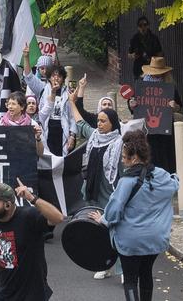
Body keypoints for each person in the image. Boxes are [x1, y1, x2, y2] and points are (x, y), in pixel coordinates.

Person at [89, 130, 178, 301]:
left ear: (134, 158)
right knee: (146, 274)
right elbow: (175, 183)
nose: (122, 161)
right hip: (156, 238)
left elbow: (114, 211)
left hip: (131, 241)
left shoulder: (126, 182)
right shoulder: (161, 175)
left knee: (130, 279)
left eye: (124, 157)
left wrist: (102, 219)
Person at [70, 91, 123, 280]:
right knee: (97, 230)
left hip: (111, 192)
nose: (99, 124)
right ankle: (105, 264)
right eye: (98, 121)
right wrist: (72, 103)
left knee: (114, 228)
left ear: (113, 124)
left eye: (103, 121)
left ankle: (122, 268)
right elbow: (80, 123)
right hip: (93, 191)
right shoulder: (94, 136)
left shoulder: (120, 144)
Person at [0, 181, 64, 300]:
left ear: (7, 205)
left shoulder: (29, 216)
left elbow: (58, 218)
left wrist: (32, 198)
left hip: (31, 294)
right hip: (3, 293)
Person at [128, 57, 182, 174]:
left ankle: (165, 179)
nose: (156, 76)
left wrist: (174, 106)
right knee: (146, 153)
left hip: (164, 129)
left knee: (165, 155)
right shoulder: (140, 85)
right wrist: (132, 104)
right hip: (146, 129)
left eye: (159, 74)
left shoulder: (169, 86)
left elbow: (179, 106)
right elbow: (132, 105)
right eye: (154, 74)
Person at [35, 63, 77, 157]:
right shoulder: (44, 91)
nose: (56, 78)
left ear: (63, 78)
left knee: (63, 159)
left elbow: (73, 116)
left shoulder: (68, 92)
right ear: (49, 77)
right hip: (48, 129)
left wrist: (72, 136)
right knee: (49, 158)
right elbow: (41, 115)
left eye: (59, 76)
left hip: (63, 130)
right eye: (53, 75)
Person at [0, 91, 45, 157]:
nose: (10, 107)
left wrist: (38, 138)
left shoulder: (32, 124)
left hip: (26, 163)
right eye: (9, 104)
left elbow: (40, 153)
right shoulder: (1, 124)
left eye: (13, 104)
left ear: (22, 107)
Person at [128, 16, 163, 81]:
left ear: (148, 26)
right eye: (140, 25)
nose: (143, 27)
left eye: (145, 25)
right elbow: (129, 54)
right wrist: (133, 56)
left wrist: (155, 60)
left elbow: (160, 53)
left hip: (152, 69)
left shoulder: (154, 38)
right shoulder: (134, 39)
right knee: (139, 88)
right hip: (139, 68)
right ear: (138, 27)